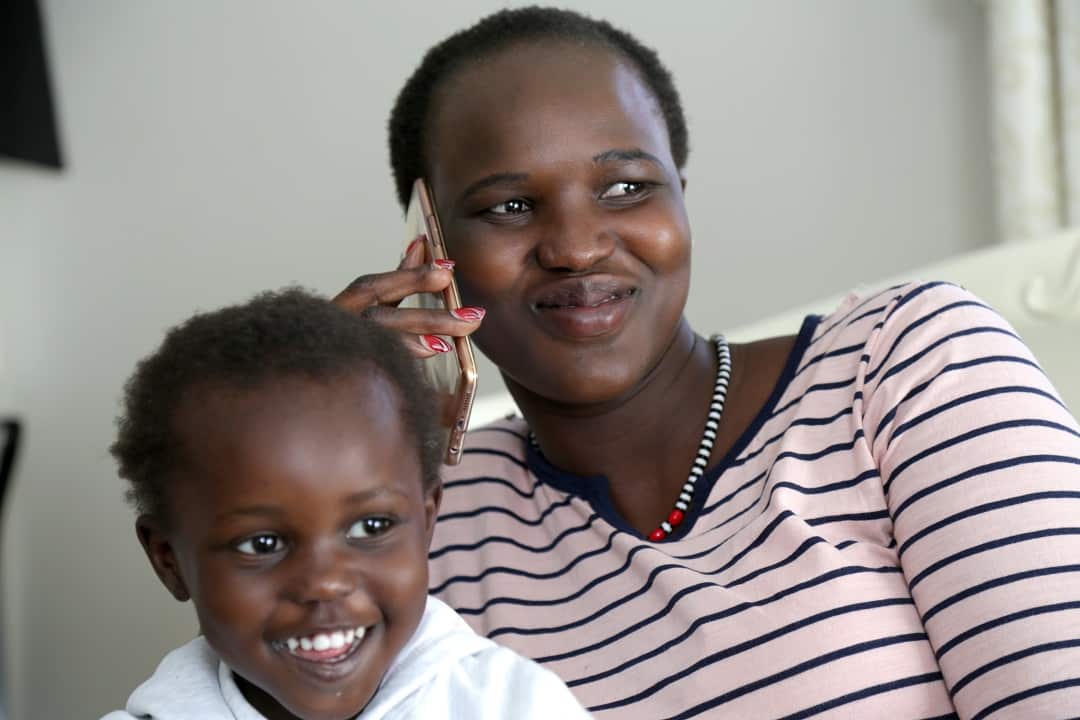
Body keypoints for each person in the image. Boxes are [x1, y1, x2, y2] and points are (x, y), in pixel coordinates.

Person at [332, 6, 1080, 719]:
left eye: (626, 188)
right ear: (430, 253)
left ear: (680, 201)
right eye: (510, 207)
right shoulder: (427, 518)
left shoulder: (905, 366)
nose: (577, 246)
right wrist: (305, 410)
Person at [103, 289, 591, 720]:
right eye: (263, 542)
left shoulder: (510, 704)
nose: (324, 583)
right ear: (169, 560)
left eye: (370, 526)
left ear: (426, 520)